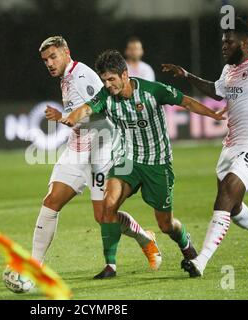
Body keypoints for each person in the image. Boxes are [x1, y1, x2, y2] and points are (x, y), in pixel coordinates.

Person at [60, 50, 225, 274]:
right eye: (104, 80)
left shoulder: (152, 90)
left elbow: (185, 102)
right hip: (127, 160)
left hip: (158, 163)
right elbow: (88, 107)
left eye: (112, 79)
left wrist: (214, 115)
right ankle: (110, 265)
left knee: (166, 224)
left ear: (125, 75)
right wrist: (72, 117)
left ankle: (185, 245)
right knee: (109, 204)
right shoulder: (106, 96)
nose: (108, 85)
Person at [162, 17, 248, 277]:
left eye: (229, 42)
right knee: (234, 205)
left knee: (225, 195)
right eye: (223, 42)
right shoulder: (229, 71)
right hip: (230, 147)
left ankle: (200, 261)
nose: (224, 47)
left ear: (245, 43)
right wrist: (186, 75)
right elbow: (217, 91)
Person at [34, 36, 160, 280]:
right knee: (51, 202)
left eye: (53, 57)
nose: (49, 63)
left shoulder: (81, 76)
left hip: (101, 148)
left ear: (66, 52)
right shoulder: (66, 77)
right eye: (45, 60)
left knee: (103, 216)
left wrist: (63, 117)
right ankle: (34, 266)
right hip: (78, 147)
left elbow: (102, 113)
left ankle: (145, 237)